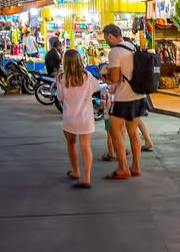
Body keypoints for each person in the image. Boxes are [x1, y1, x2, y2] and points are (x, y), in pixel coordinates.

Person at [102, 24, 148, 179]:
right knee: (133, 132)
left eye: (106, 38)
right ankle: (135, 167)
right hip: (138, 95)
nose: (106, 41)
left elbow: (114, 78)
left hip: (123, 97)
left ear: (110, 36)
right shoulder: (132, 46)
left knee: (115, 131)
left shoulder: (115, 52)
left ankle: (123, 168)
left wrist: (105, 74)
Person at [58, 49, 98, 188]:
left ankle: (76, 171)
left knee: (71, 143)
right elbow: (96, 88)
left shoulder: (62, 78)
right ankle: (86, 177)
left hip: (69, 117)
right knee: (85, 146)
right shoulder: (87, 76)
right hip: (85, 117)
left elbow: (60, 97)